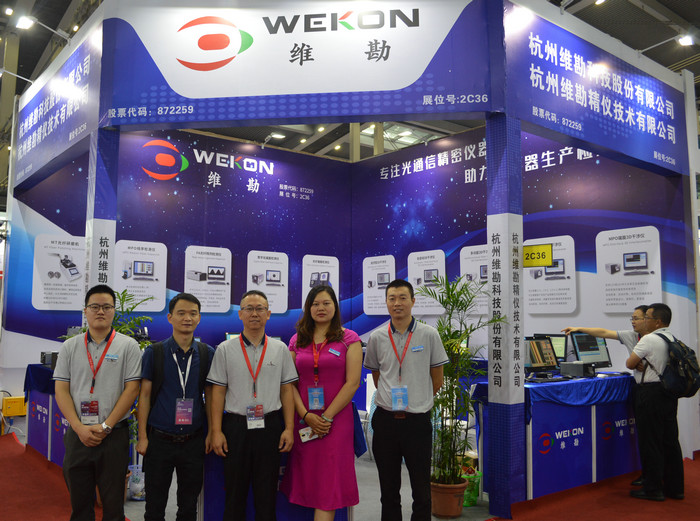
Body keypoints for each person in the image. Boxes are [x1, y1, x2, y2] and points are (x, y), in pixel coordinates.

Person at [53, 284, 142, 521]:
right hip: (78, 434)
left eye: (106, 307)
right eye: (94, 306)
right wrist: (79, 428)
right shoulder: (70, 346)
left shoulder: (128, 346)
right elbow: (61, 390)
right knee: (80, 505)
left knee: (113, 508)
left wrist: (106, 426)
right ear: (85, 311)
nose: (100, 311)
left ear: (114, 311)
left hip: (114, 436)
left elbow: (132, 389)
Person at [207, 290, 298, 520]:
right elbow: (218, 392)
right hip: (235, 427)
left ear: (268, 314)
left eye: (260, 309)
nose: (254, 313)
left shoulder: (280, 349)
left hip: (270, 426)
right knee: (234, 493)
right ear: (240, 314)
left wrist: (289, 428)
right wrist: (216, 431)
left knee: (266, 494)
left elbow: (287, 390)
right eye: (249, 309)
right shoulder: (225, 349)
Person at [364, 279, 449, 521]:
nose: (397, 303)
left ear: (413, 301)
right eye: (392, 298)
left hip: (417, 423)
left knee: (421, 490)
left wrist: (418, 400)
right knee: (388, 490)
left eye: (402, 297)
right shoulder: (377, 337)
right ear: (386, 302)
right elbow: (377, 376)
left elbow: (437, 380)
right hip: (386, 422)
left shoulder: (429, 334)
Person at [280, 285, 363, 520]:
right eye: (315, 304)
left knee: (329, 483)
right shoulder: (297, 340)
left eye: (326, 303)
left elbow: (352, 383)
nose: (321, 308)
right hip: (304, 420)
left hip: (335, 422)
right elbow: (289, 382)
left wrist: (326, 417)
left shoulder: (350, 339)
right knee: (308, 478)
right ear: (308, 308)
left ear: (335, 306)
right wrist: (306, 415)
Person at [136, 293, 215, 521]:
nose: (187, 318)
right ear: (170, 317)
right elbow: (144, 396)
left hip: (193, 441)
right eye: (181, 313)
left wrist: (212, 432)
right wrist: (143, 437)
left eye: (193, 313)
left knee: (188, 508)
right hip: (159, 441)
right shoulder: (155, 352)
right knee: (154, 508)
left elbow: (211, 396)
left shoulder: (207, 354)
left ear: (199, 318)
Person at [625, 303, 684, 501]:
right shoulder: (671, 338)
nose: (644, 321)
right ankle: (675, 488)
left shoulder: (649, 339)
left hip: (650, 393)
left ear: (657, 322)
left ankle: (653, 489)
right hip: (668, 392)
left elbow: (630, 363)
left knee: (650, 441)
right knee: (670, 441)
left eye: (647, 317)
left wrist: (636, 363)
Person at [562, 304, 649, 355]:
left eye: (636, 319)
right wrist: (579, 329)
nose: (633, 322)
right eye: (632, 319)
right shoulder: (630, 335)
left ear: (646, 319)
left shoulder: (655, 338)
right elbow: (604, 332)